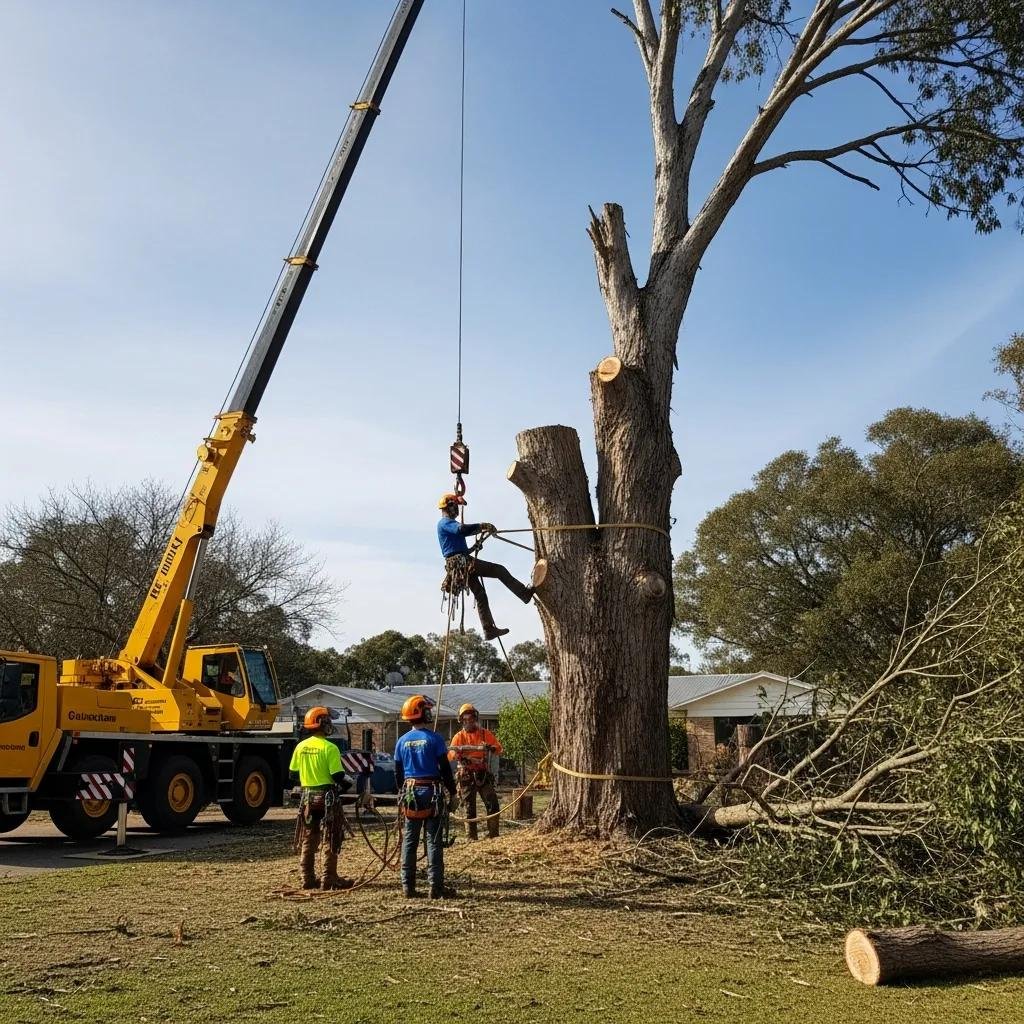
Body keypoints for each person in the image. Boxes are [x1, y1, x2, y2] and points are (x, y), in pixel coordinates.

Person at [436, 492, 534, 640]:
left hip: (461, 563)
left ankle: (488, 630)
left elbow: (456, 548)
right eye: (456, 506)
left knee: (480, 595)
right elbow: (462, 530)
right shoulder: (445, 523)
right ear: (450, 506)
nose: (457, 510)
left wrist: (474, 546)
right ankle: (524, 594)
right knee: (499, 570)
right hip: (461, 563)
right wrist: (482, 526)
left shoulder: (447, 524)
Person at [393, 694, 457, 899]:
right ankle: (435, 887)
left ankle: (407, 887)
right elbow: (445, 769)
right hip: (432, 793)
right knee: (433, 841)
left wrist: (401, 793)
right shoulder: (434, 739)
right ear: (422, 712)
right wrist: (453, 793)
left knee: (410, 841)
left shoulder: (401, 741)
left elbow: (398, 773)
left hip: (411, 794)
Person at [289, 706, 355, 891]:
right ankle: (329, 878)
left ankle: (307, 879)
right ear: (324, 724)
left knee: (309, 837)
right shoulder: (330, 748)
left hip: (308, 799)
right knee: (331, 837)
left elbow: (293, 775)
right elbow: (337, 776)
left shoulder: (300, 747)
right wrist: (347, 786)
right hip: (327, 799)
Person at [448, 702, 502, 840]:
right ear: (461, 721)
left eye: (470, 719)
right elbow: (450, 754)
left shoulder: (485, 734)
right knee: (469, 809)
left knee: (493, 804)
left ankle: (493, 835)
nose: (468, 722)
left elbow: (498, 748)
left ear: (475, 719)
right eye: (465, 720)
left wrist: (489, 747)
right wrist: (459, 754)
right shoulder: (459, 737)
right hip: (465, 775)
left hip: (482, 774)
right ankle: (471, 838)